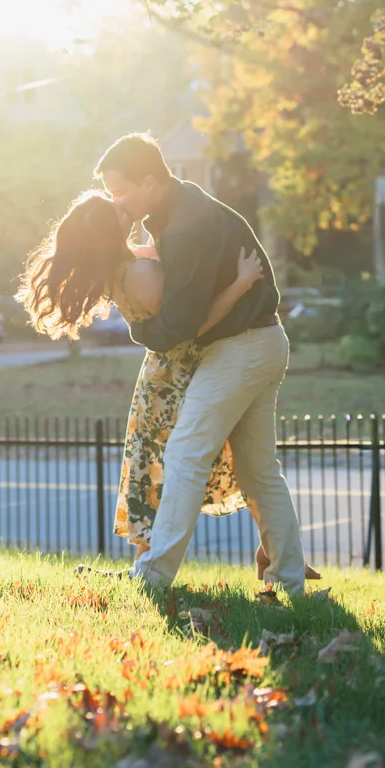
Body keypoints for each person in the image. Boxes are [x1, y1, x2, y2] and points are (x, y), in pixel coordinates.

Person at [96, 131, 307, 597]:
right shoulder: (177, 209)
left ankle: (153, 575)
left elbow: (179, 328)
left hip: (242, 347)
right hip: (262, 342)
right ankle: (288, 584)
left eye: (121, 191)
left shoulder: (185, 227)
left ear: (150, 181)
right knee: (258, 470)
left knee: (186, 453)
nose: (115, 201)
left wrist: (140, 330)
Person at [18, 189, 261, 551]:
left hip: (163, 377)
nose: (120, 204)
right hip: (179, 377)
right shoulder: (139, 273)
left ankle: (268, 551)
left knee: (162, 468)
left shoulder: (124, 265)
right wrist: (241, 284)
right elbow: (193, 325)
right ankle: (267, 551)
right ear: (111, 230)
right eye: (113, 209)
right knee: (215, 461)